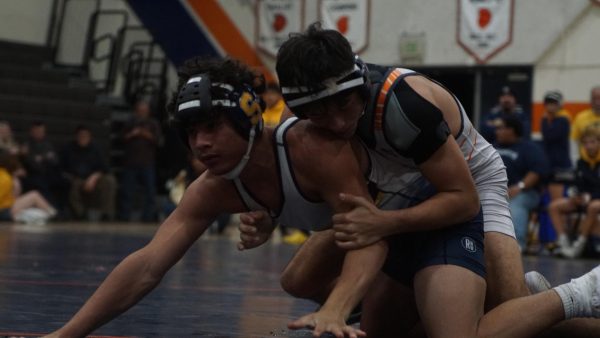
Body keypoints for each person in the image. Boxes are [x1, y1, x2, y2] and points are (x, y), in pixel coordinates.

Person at [238, 22, 600, 337]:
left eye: (343, 107)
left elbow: (463, 198)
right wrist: (271, 214)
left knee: (511, 309)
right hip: (391, 192)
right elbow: (303, 183)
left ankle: (561, 297)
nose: (335, 123)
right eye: (318, 114)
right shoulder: (299, 115)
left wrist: (385, 223)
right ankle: (420, 308)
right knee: (298, 278)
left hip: (468, 180)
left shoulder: (403, 105)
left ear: (360, 85)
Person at [43, 57, 382, 338]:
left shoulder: (310, 147)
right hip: (365, 234)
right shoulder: (213, 188)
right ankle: (368, 310)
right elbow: (147, 266)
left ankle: (366, 308)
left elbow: (369, 235)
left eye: (211, 128)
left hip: (407, 218)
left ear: (246, 118)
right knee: (298, 279)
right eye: (191, 132)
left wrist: (334, 308)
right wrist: (66, 334)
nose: (200, 143)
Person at [494, 115, 551, 251]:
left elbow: (537, 171)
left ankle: (518, 244)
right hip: (496, 191)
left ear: (512, 130)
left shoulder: (529, 148)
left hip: (526, 192)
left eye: (501, 128)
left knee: (517, 202)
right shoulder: (492, 146)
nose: (497, 131)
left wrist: (519, 187)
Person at [549, 125, 600, 258]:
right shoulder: (581, 161)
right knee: (554, 206)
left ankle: (579, 244)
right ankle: (563, 242)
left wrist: (590, 196)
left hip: (595, 200)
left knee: (594, 206)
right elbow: (578, 183)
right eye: (585, 143)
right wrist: (575, 195)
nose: (588, 146)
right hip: (586, 198)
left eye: (592, 142)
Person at [60, 125, 117, 222]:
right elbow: (63, 168)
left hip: (94, 178)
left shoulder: (95, 149)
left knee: (110, 180)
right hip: (77, 178)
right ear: (77, 136)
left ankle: (106, 213)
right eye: (81, 135)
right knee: (73, 184)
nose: (83, 138)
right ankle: (80, 214)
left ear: (90, 137)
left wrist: (94, 177)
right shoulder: (69, 149)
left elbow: (104, 168)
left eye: (85, 136)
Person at [119, 100, 162, 222]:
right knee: (127, 191)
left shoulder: (153, 123)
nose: (142, 112)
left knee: (150, 192)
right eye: (140, 110)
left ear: (148, 112)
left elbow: (158, 141)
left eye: (144, 110)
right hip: (130, 162)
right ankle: (124, 216)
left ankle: (147, 217)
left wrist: (145, 134)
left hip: (147, 163)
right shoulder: (130, 122)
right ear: (136, 111)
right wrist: (133, 134)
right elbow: (122, 138)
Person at [0, 151, 56, 224]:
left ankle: (51, 213)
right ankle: (53, 214)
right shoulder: (5, 178)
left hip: (7, 208)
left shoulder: (5, 175)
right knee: (34, 195)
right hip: (4, 211)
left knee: (34, 205)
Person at [541, 90, 572, 201]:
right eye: (548, 103)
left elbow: (550, 136)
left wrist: (545, 119)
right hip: (549, 165)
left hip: (561, 166)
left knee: (559, 201)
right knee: (547, 200)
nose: (551, 106)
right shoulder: (546, 120)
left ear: (559, 105)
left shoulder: (563, 120)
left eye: (554, 103)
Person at [571, 86, 600, 163]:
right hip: (584, 163)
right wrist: (575, 159)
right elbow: (573, 141)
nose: (597, 102)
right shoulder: (580, 117)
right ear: (590, 100)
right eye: (594, 99)